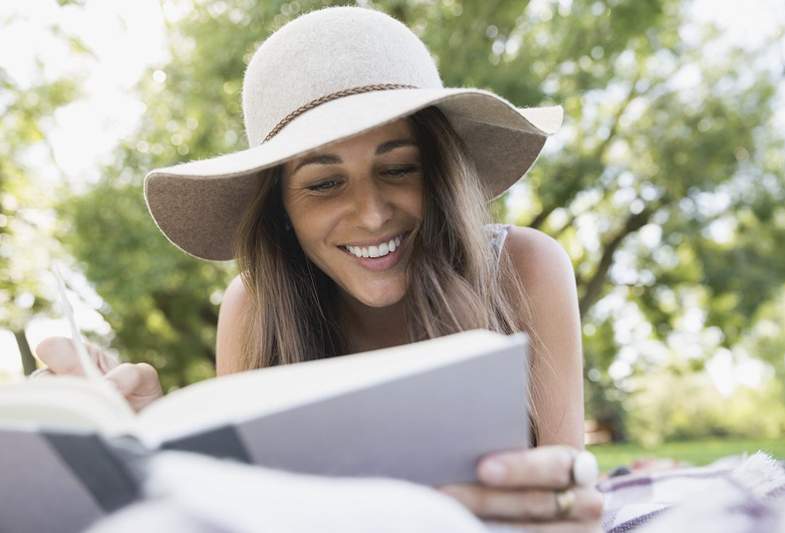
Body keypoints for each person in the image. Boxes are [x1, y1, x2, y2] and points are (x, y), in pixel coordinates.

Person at [35, 6, 602, 530]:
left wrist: (565, 505)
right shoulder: (251, 307)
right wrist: (142, 450)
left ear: (441, 176)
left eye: (399, 168)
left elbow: (571, 500)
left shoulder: (524, 267)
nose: (373, 214)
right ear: (281, 208)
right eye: (325, 183)